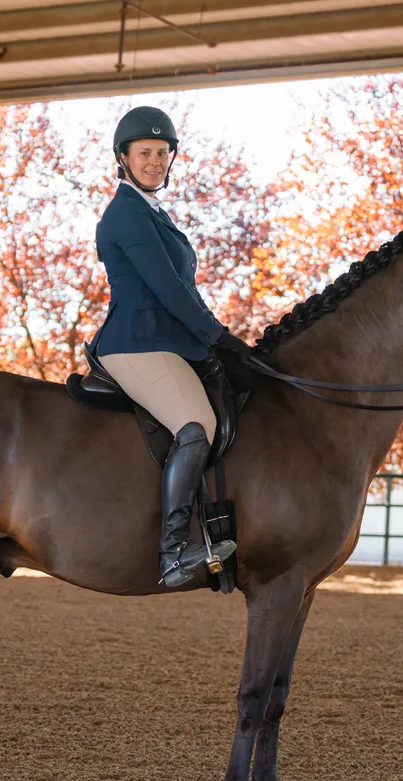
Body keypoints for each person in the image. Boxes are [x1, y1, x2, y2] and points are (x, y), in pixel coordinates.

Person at [91, 106, 253, 587]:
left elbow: (184, 289)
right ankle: (174, 554)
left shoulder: (153, 213)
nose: (155, 161)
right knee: (197, 423)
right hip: (135, 343)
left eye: (163, 152)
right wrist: (216, 335)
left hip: (169, 341)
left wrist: (215, 338)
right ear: (123, 157)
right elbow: (167, 287)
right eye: (145, 153)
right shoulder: (125, 214)